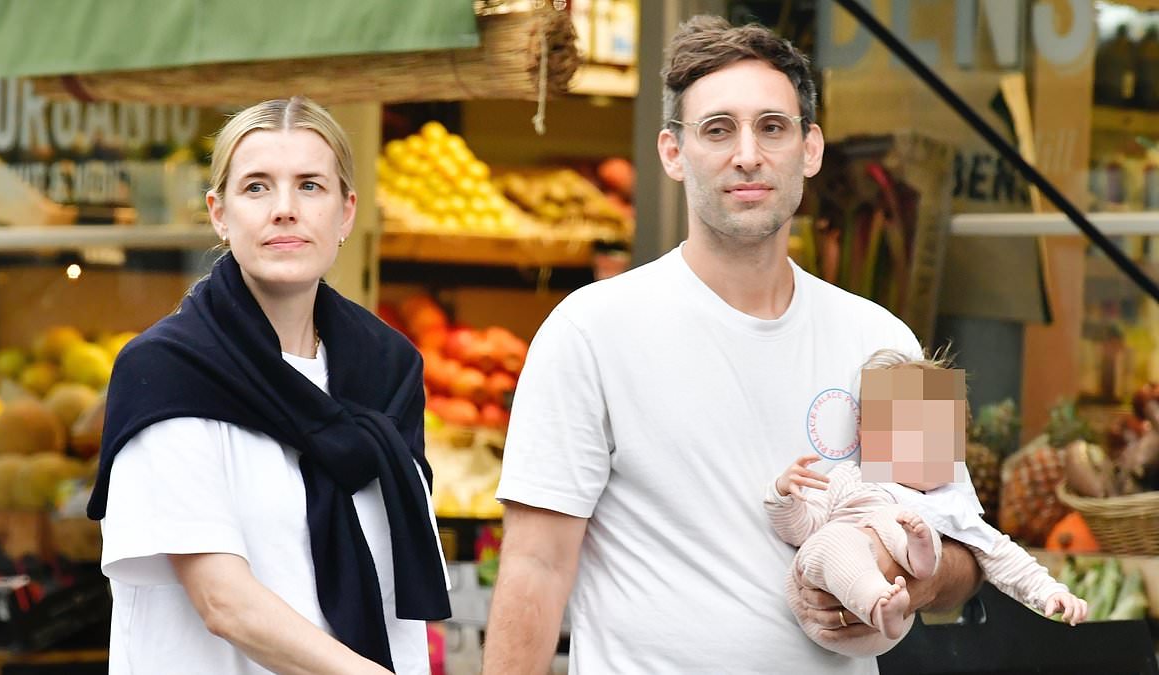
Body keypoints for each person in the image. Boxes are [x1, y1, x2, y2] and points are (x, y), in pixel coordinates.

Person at [482, 16, 982, 674]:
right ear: (672, 152)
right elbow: (536, 568)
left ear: (810, 148)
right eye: (718, 129)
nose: (748, 154)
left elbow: (965, 550)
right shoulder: (588, 331)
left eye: (772, 127)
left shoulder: (884, 341)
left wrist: (906, 578)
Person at [87, 97, 450, 674]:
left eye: (310, 186)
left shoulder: (389, 372)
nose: (285, 209)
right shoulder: (168, 372)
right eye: (256, 187)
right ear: (219, 214)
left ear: (347, 213)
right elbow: (224, 602)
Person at [768, 350, 1087, 659]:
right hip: (822, 610)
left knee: (920, 531)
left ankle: (912, 564)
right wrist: (785, 496)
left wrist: (1050, 592)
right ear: (869, 435)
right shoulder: (853, 479)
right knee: (837, 539)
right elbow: (800, 530)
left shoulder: (950, 506)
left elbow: (1001, 554)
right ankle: (884, 590)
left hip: (884, 628)